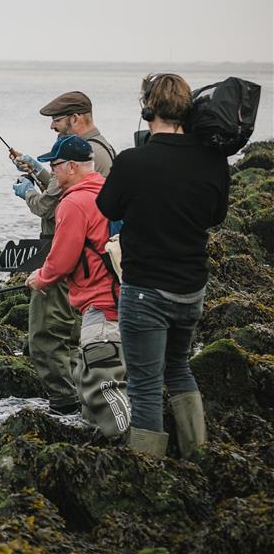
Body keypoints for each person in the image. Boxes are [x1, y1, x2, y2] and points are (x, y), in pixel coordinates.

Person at [96, 73, 230, 458]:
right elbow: (217, 215)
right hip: (191, 289)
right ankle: (198, 455)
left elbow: (107, 208)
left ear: (147, 109)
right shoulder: (214, 160)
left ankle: (148, 469)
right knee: (179, 368)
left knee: (144, 386)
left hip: (145, 292)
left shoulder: (133, 161)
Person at [9, 91, 116, 415]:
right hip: (91, 261)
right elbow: (68, 186)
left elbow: (49, 206)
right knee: (71, 332)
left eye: (56, 121)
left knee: (46, 334)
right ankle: (82, 401)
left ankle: (65, 405)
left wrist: (28, 192)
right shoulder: (101, 150)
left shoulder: (89, 158)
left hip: (75, 257)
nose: (53, 126)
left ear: (75, 118)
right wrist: (39, 171)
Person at [24, 135, 129, 438]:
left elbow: (61, 261)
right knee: (95, 385)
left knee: (103, 390)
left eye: (55, 165)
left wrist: (40, 278)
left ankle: (132, 451)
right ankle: (100, 446)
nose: (52, 171)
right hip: (128, 301)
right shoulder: (109, 192)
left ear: (71, 166)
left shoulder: (73, 203)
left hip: (102, 307)